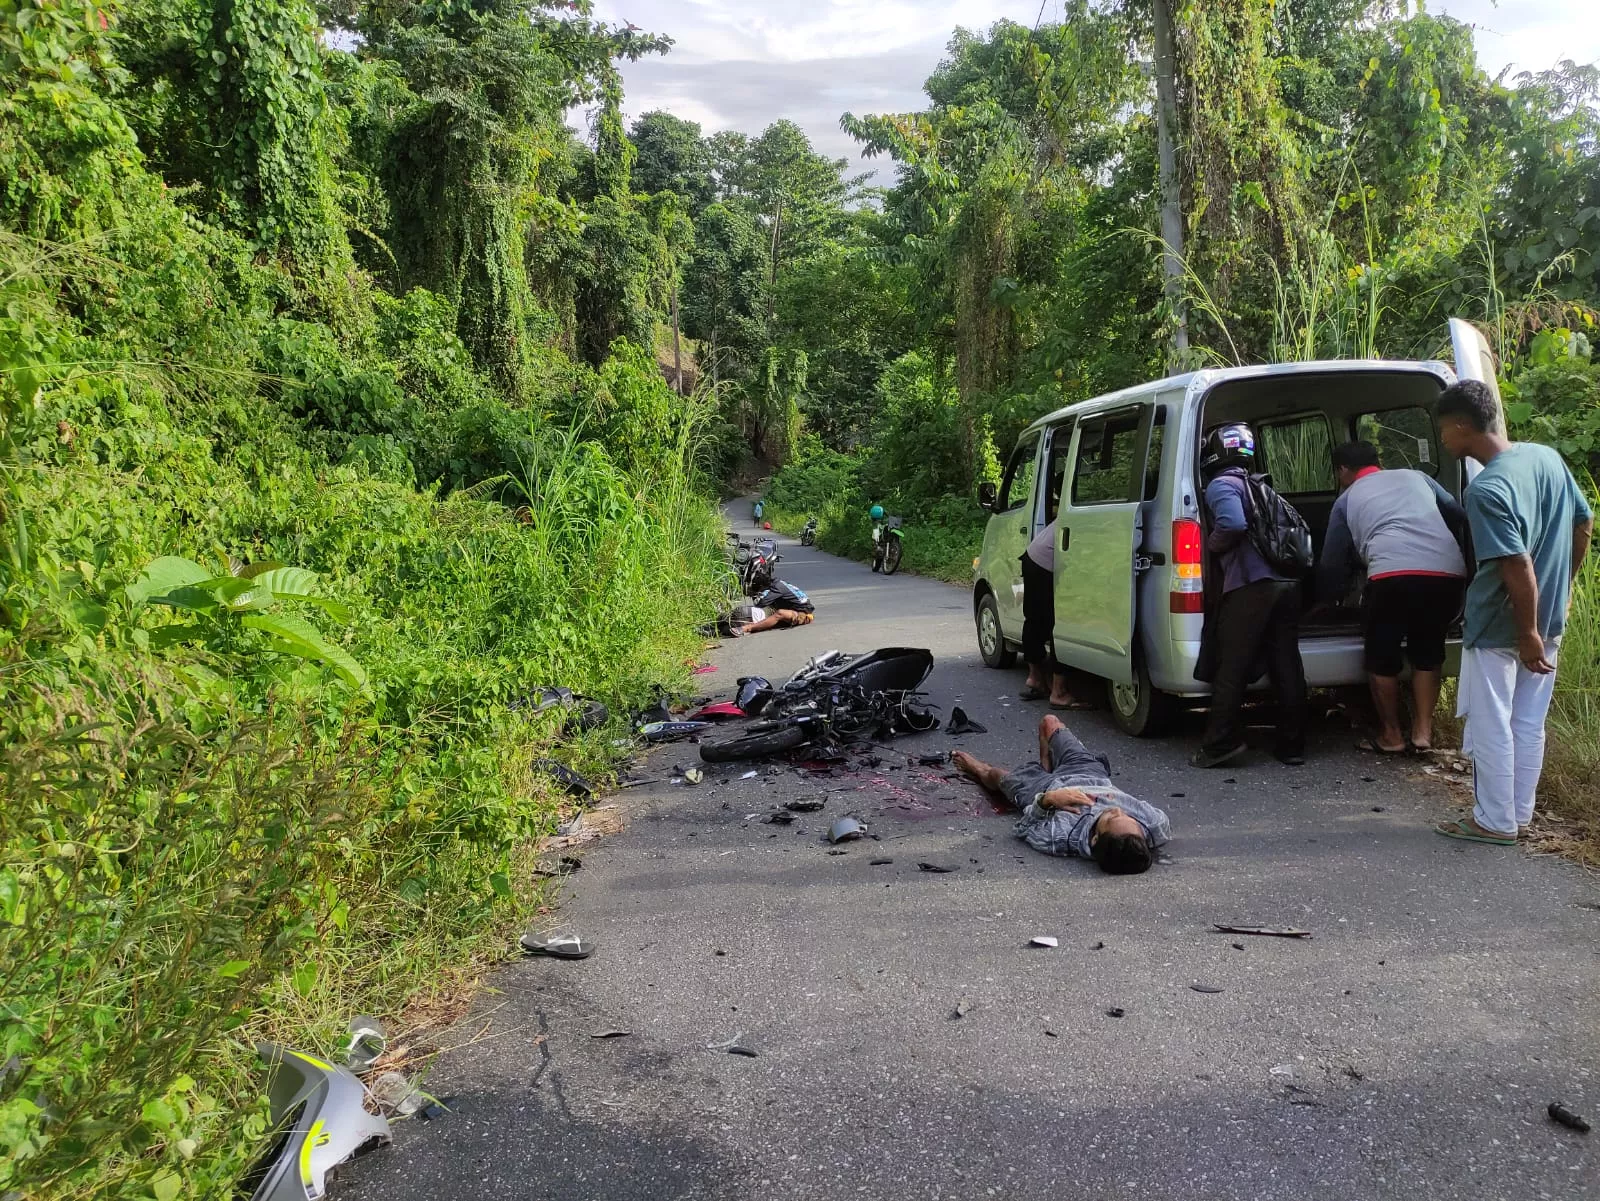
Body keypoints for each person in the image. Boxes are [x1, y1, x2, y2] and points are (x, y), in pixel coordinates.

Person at [1432, 380, 1593, 845]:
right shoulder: (1545, 457)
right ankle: (1519, 815)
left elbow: (1515, 562)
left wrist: (1526, 631)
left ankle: (1493, 821)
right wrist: (1562, 591)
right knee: (1528, 721)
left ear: (1463, 426)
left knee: (1490, 722)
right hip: (1546, 621)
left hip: (1503, 626)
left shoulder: (1487, 490)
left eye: (1444, 431)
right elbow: (1583, 523)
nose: (1444, 440)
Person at [1316, 440, 1469, 754]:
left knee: (1380, 656)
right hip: (1447, 574)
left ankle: (1391, 735)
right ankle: (1423, 733)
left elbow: (1332, 563)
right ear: (1378, 460)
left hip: (1392, 576)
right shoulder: (1418, 477)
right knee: (1428, 651)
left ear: (1343, 470)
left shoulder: (1346, 499)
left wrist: (1326, 602)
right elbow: (1456, 513)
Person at [1192, 422, 1308, 768]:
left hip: (1252, 587)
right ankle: (1292, 746)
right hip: (1286, 585)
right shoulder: (1263, 487)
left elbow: (1233, 523)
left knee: (1232, 666)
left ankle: (1219, 744)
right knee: (1286, 663)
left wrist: (1211, 546)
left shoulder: (1221, 485)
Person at [952, 715, 1171, 874]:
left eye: (1112, 818)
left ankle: (978, 768)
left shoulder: (1063, 837)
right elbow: (1152, 824)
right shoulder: (1152, 825)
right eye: (1129, 818)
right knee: (1049, 722)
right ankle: (1046, 764)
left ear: (1095, 838)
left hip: (1041, 789)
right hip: (1088, 773)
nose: (1117, 810)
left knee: (997, 776)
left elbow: (1022, 829)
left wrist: (1048, 801)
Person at [1018, 517, 1085, 708]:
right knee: (1061, 622)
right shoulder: (1097, 517)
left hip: (1033, 556)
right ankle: (1059, 693)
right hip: (1046, 564)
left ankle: (1035, 679)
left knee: (1035, 619)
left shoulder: (1076, 509)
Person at [725, 579, 815, 636]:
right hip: (801, 609)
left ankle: (747, 628)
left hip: (803, 614)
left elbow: (762, 603)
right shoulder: (781, 583)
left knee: (780, 613)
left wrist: (761, 595)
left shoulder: (776, 587)